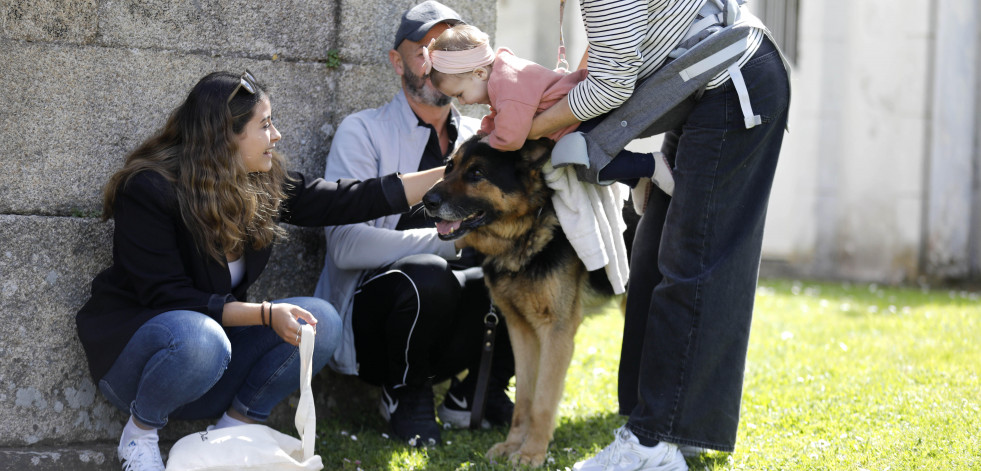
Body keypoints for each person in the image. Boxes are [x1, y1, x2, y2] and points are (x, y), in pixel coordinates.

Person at [75, 70, 445, 471]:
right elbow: (169, 298)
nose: (277, 135)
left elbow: (346, 200)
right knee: (202, 337)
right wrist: (267, 314)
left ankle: (232, 431)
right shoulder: (150, 189)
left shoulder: (261, 182)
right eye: (265, 125)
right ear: (225, 135)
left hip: (211, 366)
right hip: (140, 367)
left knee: (319, 321)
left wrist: (451, 176)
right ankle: (140, 435)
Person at [527, 1, 792, 470]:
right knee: (652, 251)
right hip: (701, 80)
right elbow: (617, 46)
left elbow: (612, 83)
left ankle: (652, 444)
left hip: (732, 82)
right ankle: (662, 424)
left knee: (694, 262)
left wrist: (525, 130)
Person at [313, 0, 515, 447]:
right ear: (396, 61)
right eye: (425, 49)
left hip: (455, 319)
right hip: (380, 321)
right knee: (427, 273)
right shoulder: (362, 131)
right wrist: (456, 244)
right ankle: (406, 395)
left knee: (522, 265)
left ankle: (479, 389)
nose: (435, 61)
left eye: (448, 49)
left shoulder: (483, 137)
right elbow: (344, 247)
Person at [423, 24, 675, 194]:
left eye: (460, 95)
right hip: (568, 121)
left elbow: (510, 136)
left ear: (479, 73)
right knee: (590, 164)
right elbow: (498, 117)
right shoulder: (499, 80)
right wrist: (486, 130)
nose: (463, 103)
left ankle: (650, 164)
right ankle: (639, 181)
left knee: (592, 164)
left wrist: (489, 143)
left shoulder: (507, 84)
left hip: (578, 116)